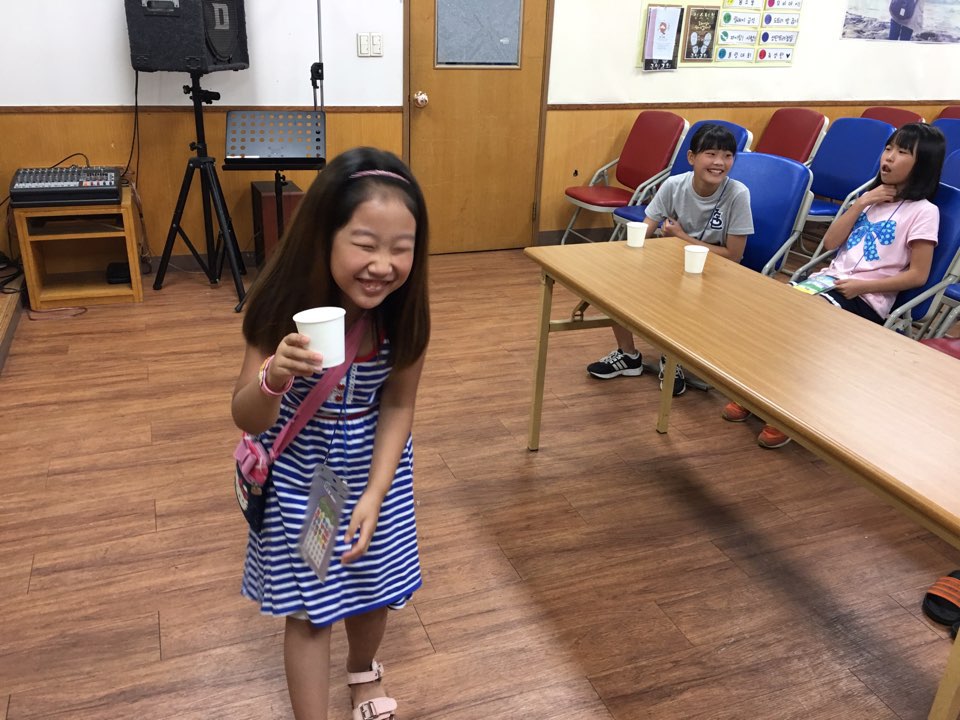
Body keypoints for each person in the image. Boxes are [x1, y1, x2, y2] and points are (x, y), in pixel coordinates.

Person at [231, 146, 430, 720]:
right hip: (309, 483)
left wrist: (376, 492)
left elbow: (398, 404)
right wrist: (274, 376)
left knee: (374, 583)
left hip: (375, 473)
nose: (383, 265)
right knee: (311, 608)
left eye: (401, 248)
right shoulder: (280, 308)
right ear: (324, 237)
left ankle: (363, 671)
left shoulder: (403, 314)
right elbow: (247, 416)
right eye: (365, 244)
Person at [723, 122, 946, 448]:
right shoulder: (870, 198)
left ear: (922, 163)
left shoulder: (924, 212)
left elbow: (918, 276)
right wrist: (860, 203)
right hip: (827, 284)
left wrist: (860, 287)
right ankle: (757, 392)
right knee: (775, 307)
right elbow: (830, 243)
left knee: (803, 323)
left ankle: (787, 412)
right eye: (888, 148)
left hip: (865, 299)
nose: (888, 157)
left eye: (902, 152)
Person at [587, 123, 754, 396]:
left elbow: (734, 257)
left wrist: (681, 237)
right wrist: (622, 261)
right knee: (616, 285)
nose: (719, 162)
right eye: (711, 154)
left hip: (717, 273)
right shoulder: (675, 185)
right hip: (672, 262)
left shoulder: (737, 194)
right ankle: (628, 356)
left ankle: (672, 358)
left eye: (727, 156)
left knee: (679, 295)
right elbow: (646, 228)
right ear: (692, 157)